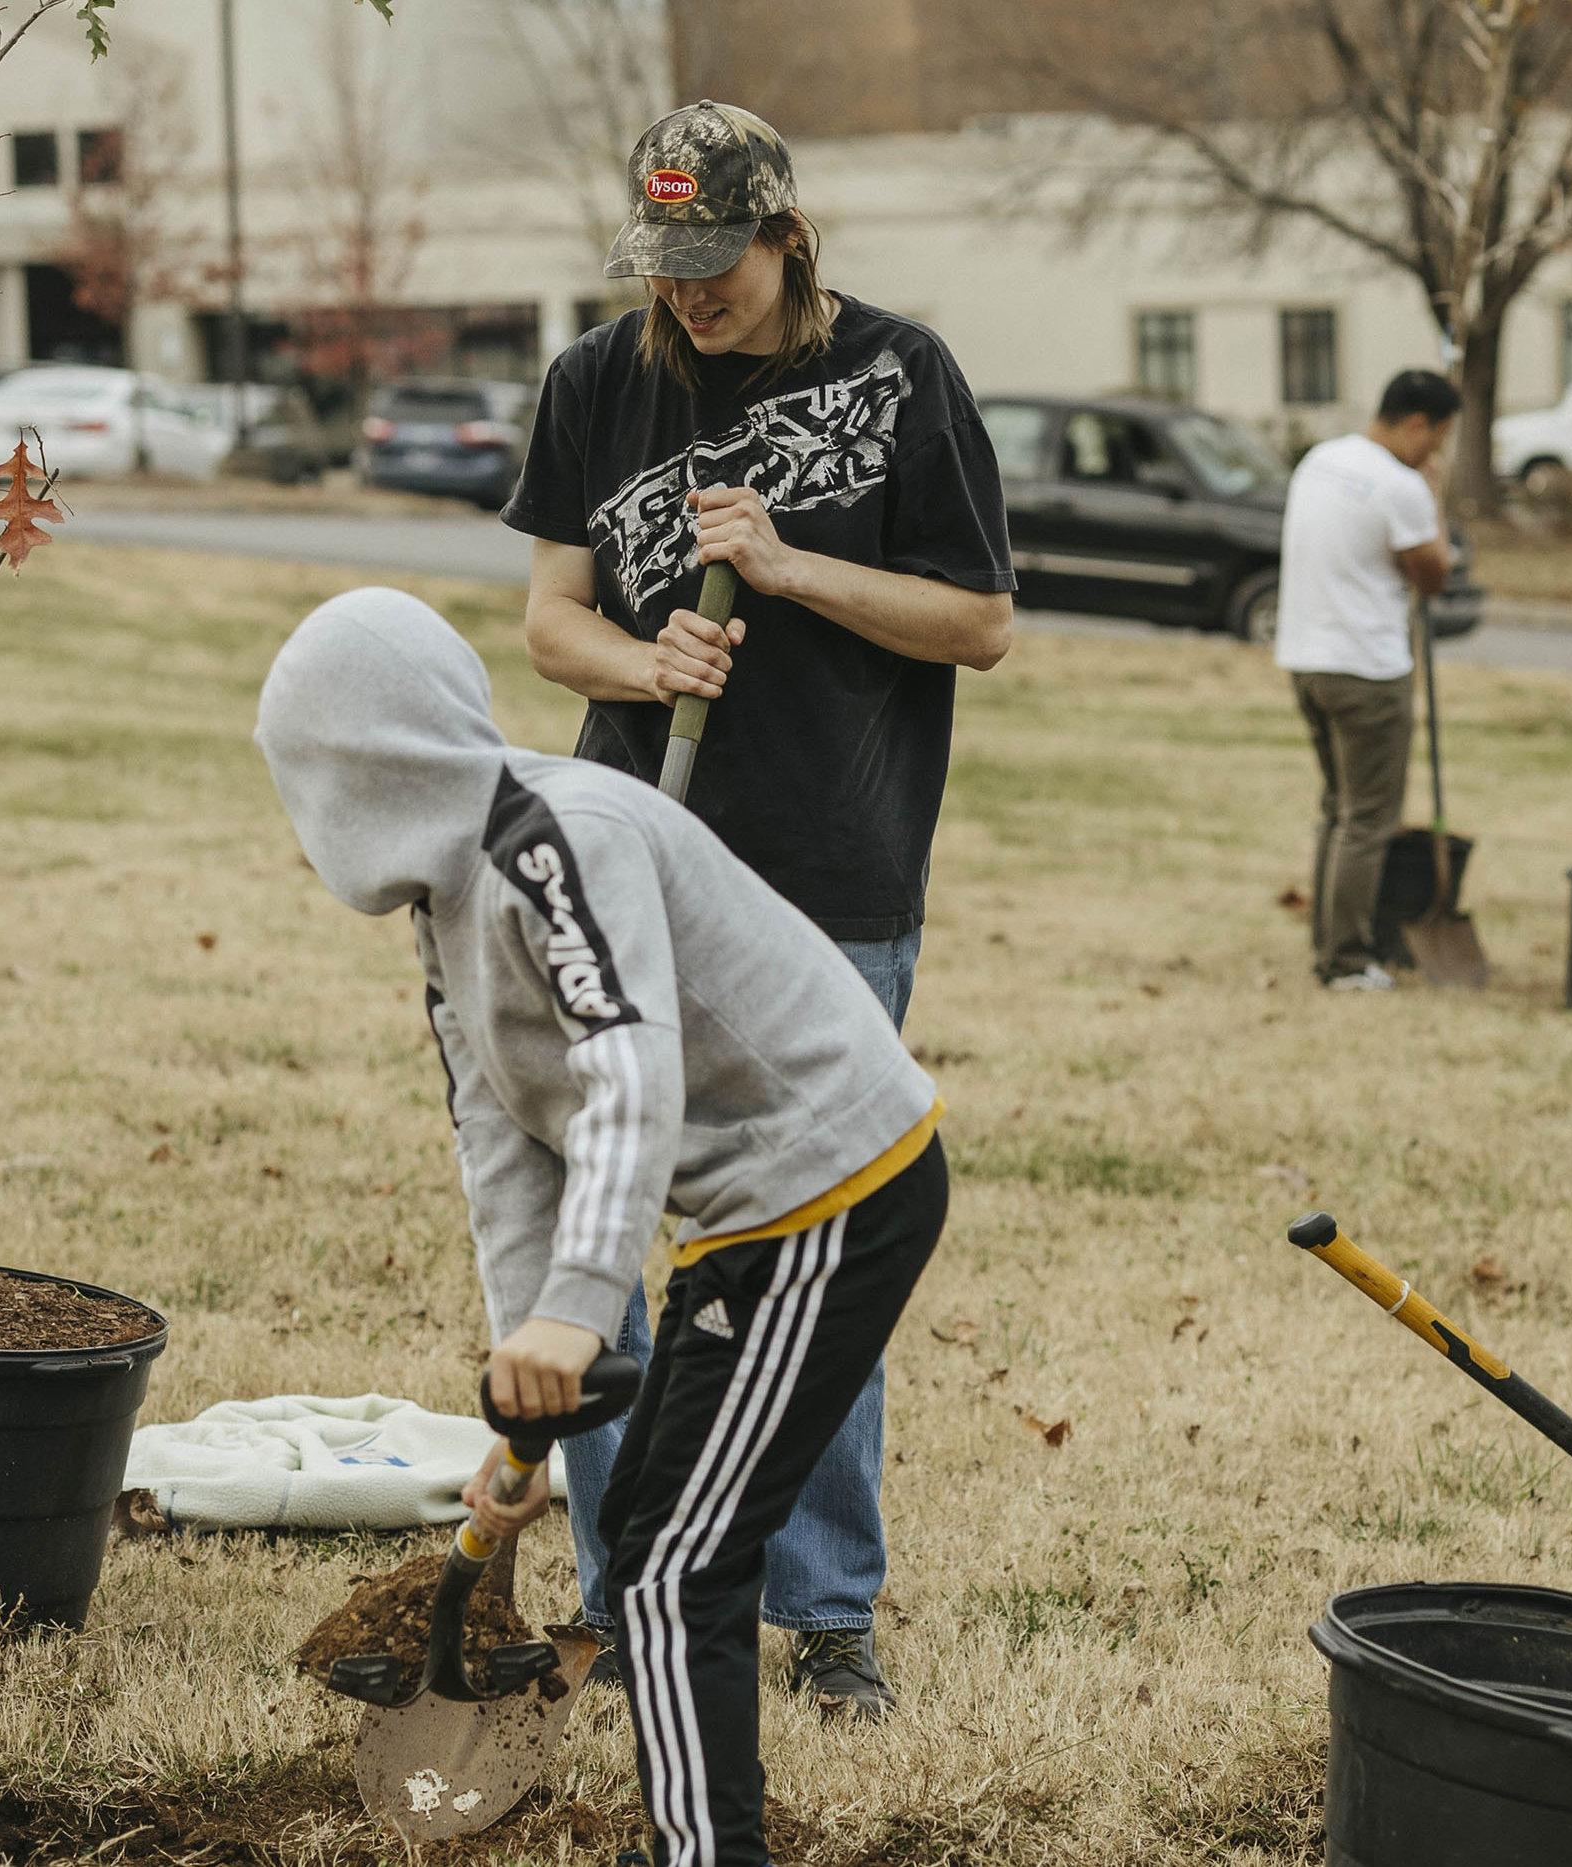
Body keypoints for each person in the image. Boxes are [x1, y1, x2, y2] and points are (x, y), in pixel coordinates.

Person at [256, 587, 950, 1867]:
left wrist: (582, 1307)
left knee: (676, 1568)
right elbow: (506, 1149)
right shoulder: (449, 908)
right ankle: (694, 1839)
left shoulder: (549, 836)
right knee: (657, 1549)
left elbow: (632, 1068)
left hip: (834, 1186)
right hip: (753, 1217)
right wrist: (528, 1412)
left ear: (361, 764)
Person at [503, 98, 1013, 1720]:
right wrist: (646, 661)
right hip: (637, 862)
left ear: (789, 233)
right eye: (665, 266)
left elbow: (979, 620)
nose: (690, 295)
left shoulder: (902, 376)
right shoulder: (600, 380)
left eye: (716, 262)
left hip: (831, 874)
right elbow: (547, 620)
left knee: (817, 1233)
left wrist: (791, 572)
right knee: (616, 1228)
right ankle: (615, 1582)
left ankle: (826, 1608)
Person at [1274, 370, 1462, 991]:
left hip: (1307, 659)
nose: (1436, 453)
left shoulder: (1320, 461)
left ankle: (1327, 943)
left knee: (1337, 808)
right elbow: (1432, 574)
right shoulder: (1400, 484)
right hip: (1367, 669)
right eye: (1438, 439)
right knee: (1368, 819)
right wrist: (1433, 497)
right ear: (1416, 423)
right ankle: (1347, 962)